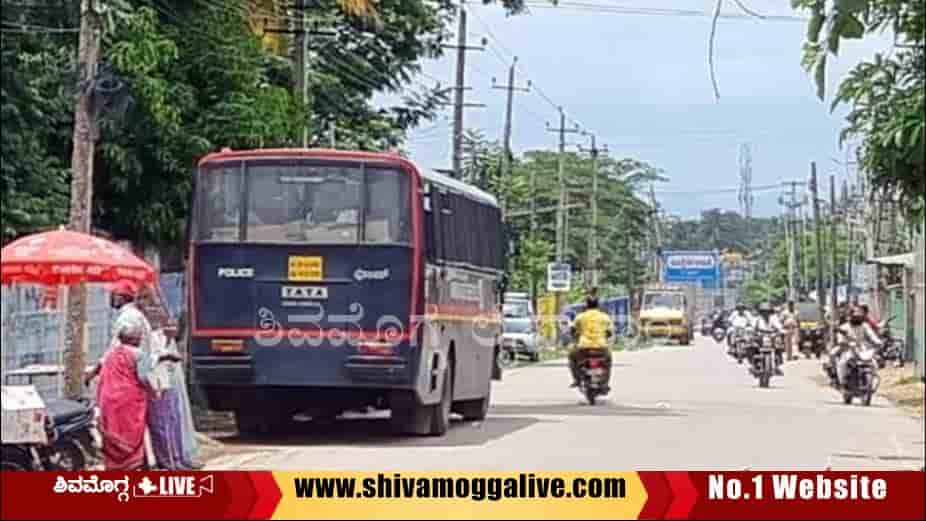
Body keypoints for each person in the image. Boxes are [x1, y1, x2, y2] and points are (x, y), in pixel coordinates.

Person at [86, 313, 181, 470]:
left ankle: (114, 465)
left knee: (113, 432)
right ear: (135, 339)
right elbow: (144, 377)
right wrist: (153, 391)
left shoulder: (112, 353)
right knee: (132, 432)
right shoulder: (137, 354)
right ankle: (135, 464)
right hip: (129, 401)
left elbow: (99, 366)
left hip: (107, 399)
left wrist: (89, 377)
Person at [568, 296, 614, 389]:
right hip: (601, 348)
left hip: (584, 348)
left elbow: (573, 329)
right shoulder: (604, 317)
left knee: (572, 357)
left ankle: (577, 380)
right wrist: (604, 337)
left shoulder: (580, 316)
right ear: (598, 305)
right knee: (608, 362)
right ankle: (605, 383)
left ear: (586, 305)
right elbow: (609, 332)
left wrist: (574, 337)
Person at [832, 306, 883, 389]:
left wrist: (878, 342)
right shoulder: (845, 327)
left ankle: (871, 380)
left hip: (862, 348)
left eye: (859, 317)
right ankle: (842, 381)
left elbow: (871, 335)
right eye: (855, 317)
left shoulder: (864, 326)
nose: (857, 319)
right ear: (851, 317)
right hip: (848, 348)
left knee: (873, 362)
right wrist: (842, 342)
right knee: (842, 363)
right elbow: (840, 338)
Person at [752, 302, 785, 375]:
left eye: (767, 311)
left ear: (770, 312)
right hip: (760, 337)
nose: (765, 313)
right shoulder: (757, 319)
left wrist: (782, 331)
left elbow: (779, 327)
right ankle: (754, 364)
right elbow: (753, 328)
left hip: (771, 337)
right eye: (764, 311)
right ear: (761, 312)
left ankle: (777, 365)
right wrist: (754, 332)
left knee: (779, 347)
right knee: (752, 346)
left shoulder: (773, 318)